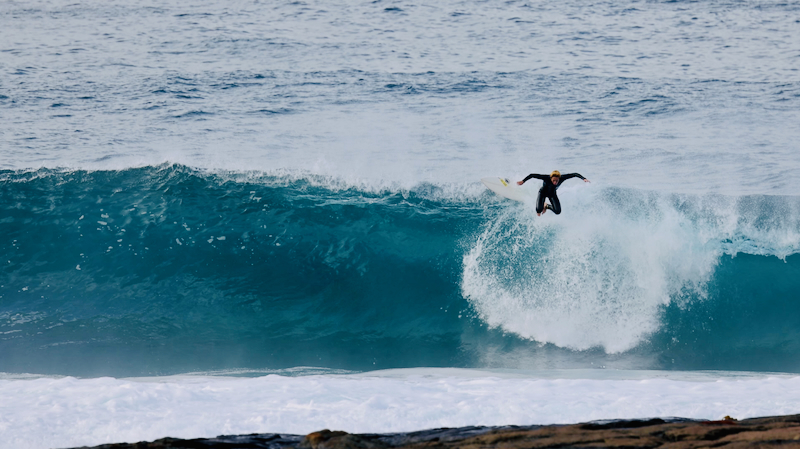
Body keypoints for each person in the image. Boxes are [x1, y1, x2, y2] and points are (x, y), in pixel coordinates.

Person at [517, 170, 590, 216]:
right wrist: (523, 181)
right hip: (542, 193)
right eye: (553, 180)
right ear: (551, 178)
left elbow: (575, 174)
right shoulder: (546, 177)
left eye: (557, 181)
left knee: (558, 211)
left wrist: (584, 178)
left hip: (552, 194)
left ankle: (546, 206)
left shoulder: (562, 178)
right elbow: (532, 175)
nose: (555, 182)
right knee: (538, 211)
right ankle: (543, 205)